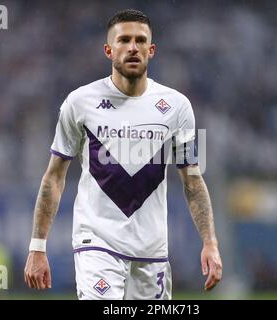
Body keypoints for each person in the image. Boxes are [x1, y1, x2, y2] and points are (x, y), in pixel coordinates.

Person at [24, 9, 222, 300]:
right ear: (109, 49)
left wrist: (210, 242)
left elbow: (193, 180)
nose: (133, 47)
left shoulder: (177, 107)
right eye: (124, 40)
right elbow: (54, 177)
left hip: (151, 250)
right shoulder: (80, 103)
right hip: (97, 242)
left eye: (140, 41)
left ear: (151, 50)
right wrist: (37, 246)